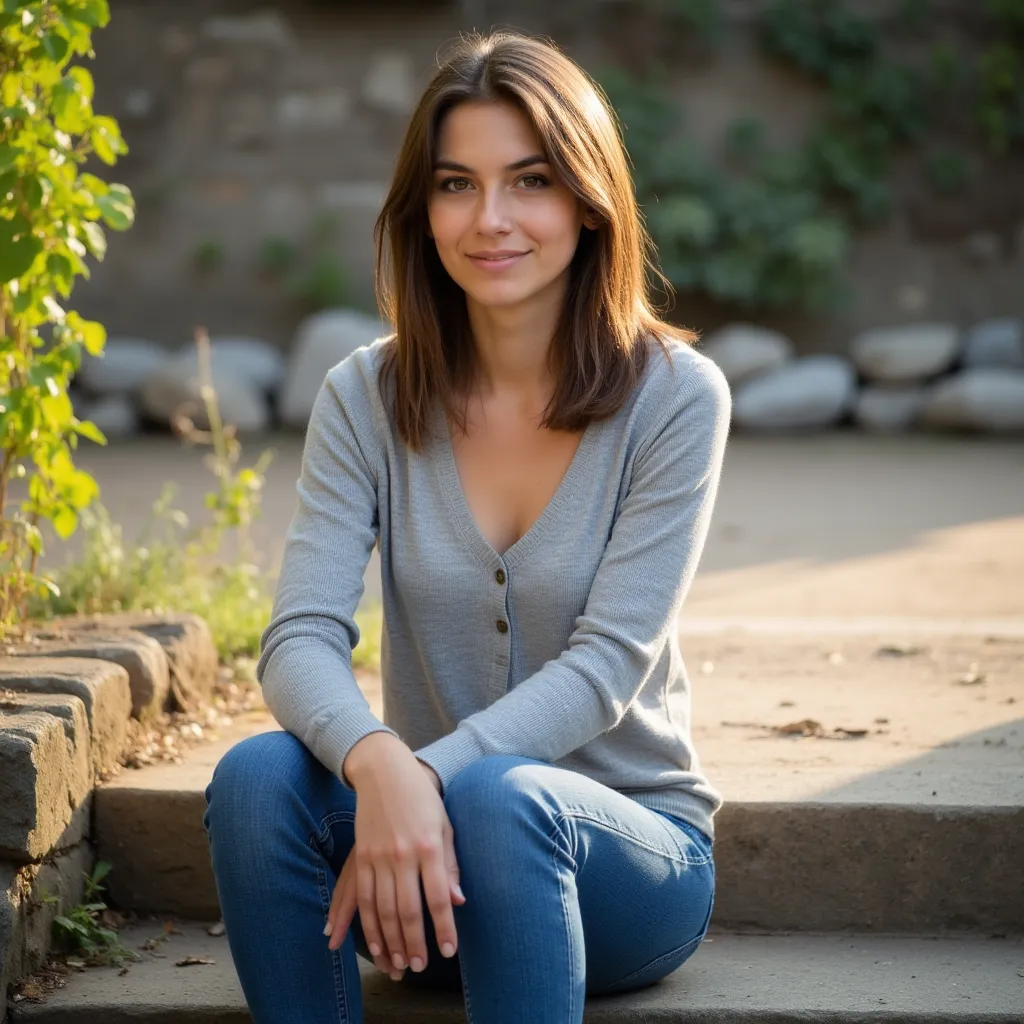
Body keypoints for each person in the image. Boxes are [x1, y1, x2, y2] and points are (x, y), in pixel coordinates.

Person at [202, 29, 731, 1024]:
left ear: (586, 198)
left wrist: (421, 773)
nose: (490, 219)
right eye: (456, 184)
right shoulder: (364, 393)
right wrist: (374, 761)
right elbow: (299, 634)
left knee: (498, 796)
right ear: (423, 208)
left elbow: (607, 665)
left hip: (620, 868)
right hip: (416, 870)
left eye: (528, 180)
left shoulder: (674, 398)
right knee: (257, 775)